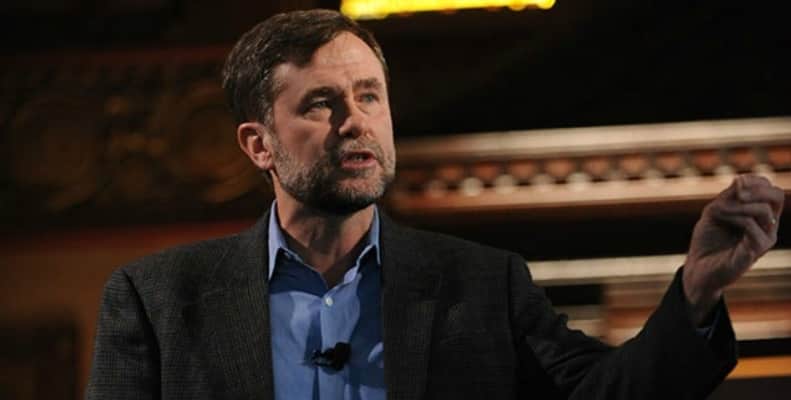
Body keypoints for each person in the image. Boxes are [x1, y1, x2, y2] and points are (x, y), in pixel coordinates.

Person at [85, 9, 785, 400]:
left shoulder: (482, 284)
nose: (355, 123)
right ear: (258, 143)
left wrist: (695, 294)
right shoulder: (157, 300)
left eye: (369, 96)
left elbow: (608, 394)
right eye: (321, 104)